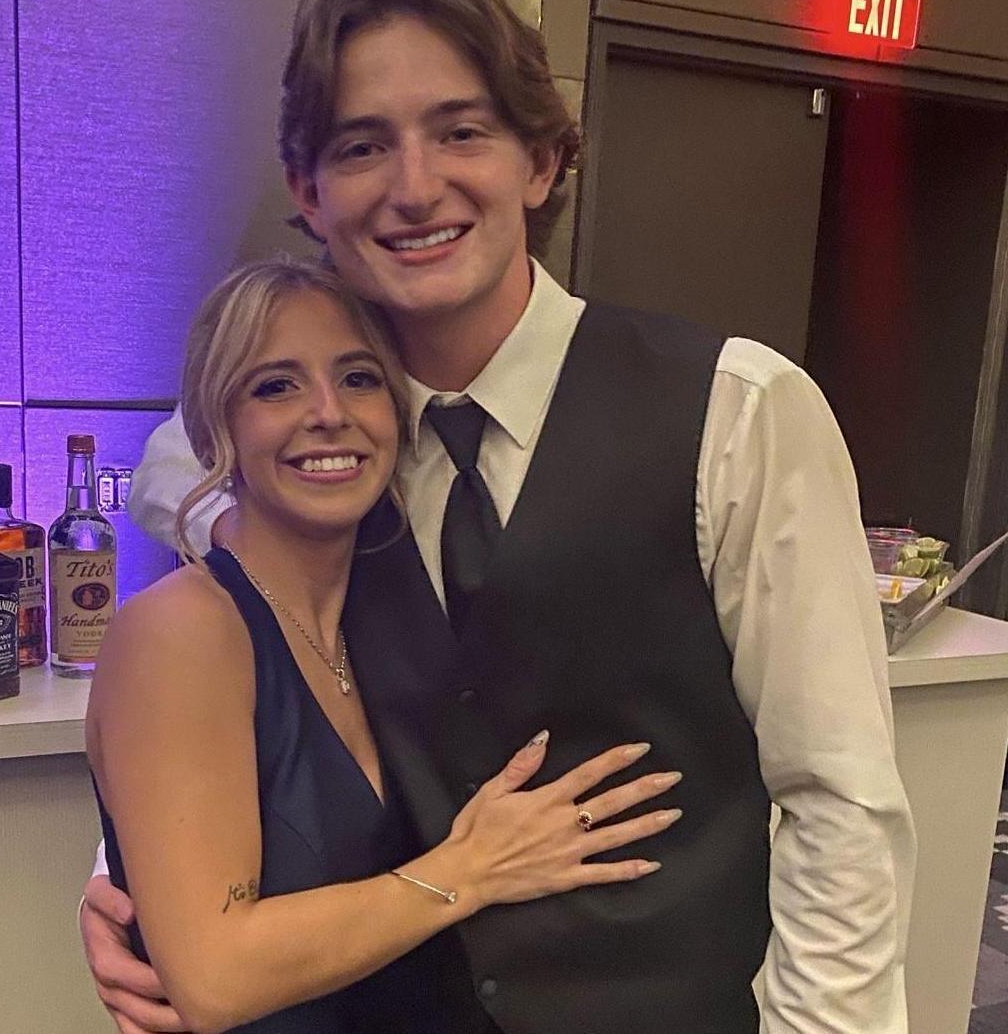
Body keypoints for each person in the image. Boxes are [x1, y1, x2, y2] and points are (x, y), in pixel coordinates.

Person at [82, 0, 916, 1034]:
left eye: (461, 131)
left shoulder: (738, 411)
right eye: (362, 145)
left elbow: (839, 802)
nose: (415, 185)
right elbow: (217, 672)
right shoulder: (316, 447)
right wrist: (128, 878)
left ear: (541, 160)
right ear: (310, 193)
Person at [86, 257, 682, 1034]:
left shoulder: (384, 616)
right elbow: (214, 976)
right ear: (213, 429)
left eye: (359, 378)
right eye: (275, 386)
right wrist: (469, 870)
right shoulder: (182, 631)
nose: (328, 412)